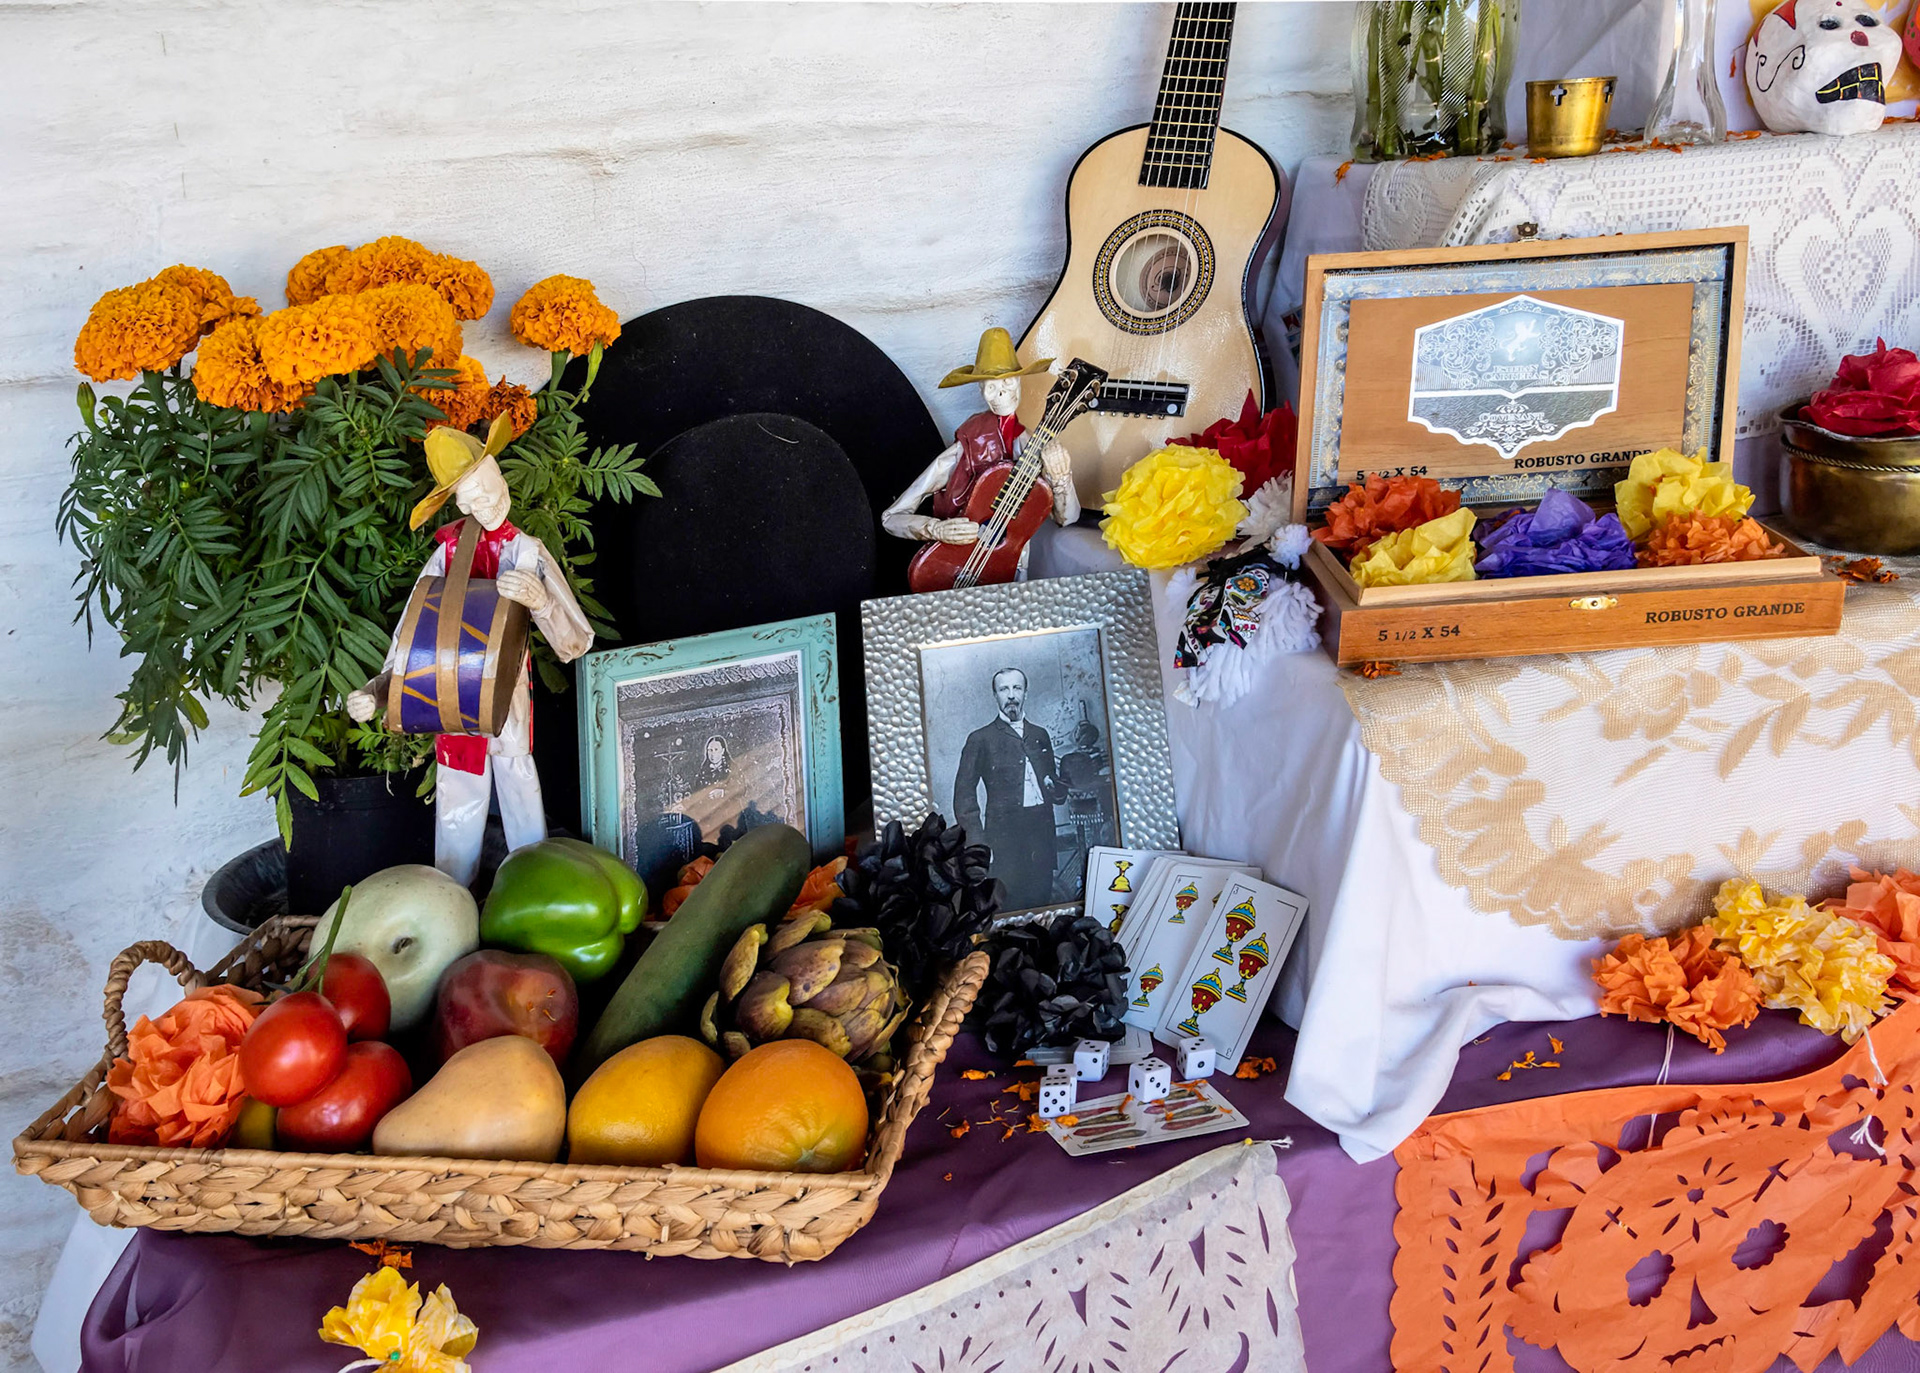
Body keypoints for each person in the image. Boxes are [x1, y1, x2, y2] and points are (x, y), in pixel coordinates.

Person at [346, 419, 592, 887]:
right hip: (447, 691)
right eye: (472, 499)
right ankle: (451, 896)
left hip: (510, 694)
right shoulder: (446, 554)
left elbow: (576, 641)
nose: (487, 503)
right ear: (458, 505)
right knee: (458, 789)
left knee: (520, 782)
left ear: (500, 474)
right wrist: (378, 691)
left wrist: (541, 602)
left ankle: (532, 886)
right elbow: (411, 636)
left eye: (489, 487)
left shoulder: (527, 551)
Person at [883, 327, 1080, 580]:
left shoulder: (1038, 449)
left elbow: (1068, 518)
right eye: (987, 386)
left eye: (1006, 382)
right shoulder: (964, 449)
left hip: (1013, 574)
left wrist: (1062, 478)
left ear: (1020, 382)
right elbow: (891, 518)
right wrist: (936, 529)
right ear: (979, 391)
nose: (997, 394)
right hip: (955, 571)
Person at [951, 667, 1067, 910]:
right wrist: (978, 844)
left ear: (1026, 693)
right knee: (1010, 908)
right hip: (1005, 843)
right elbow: (964, 796)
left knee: (1042, 905)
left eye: (1017, 688)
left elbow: (1056, 793)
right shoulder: (980, 739)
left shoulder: (1039, 735)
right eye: (1004, 689)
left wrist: (1055, 786)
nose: (1011, 695)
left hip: (1042, 839)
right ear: (995, 695)